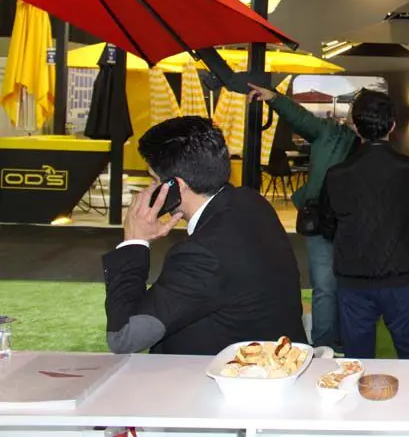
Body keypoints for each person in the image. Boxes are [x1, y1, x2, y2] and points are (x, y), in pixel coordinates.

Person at [103, 116, 306, 355]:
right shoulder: (250, 202)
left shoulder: (202, 254)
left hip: (225, 373)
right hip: (273, 358)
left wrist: (134, 242)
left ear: (176, 186)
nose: (148, 190)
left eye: (153, 180)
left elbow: (123, 336)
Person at [318, 89, 409, 359]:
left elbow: (328, 225)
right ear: (392, 126)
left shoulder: (337, 174)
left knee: (357, 361)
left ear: (356, 127)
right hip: (401, 277)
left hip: (353, 280)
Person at [247, 83, 356, 352]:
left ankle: (349, 340)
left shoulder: (374, 148)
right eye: (354, 108)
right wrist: (274, 98)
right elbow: (301, 118)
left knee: (352, 286)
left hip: (356, 225)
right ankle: (323, 345)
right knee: (325, 286)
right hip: (321, 220)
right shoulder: (329, 133)